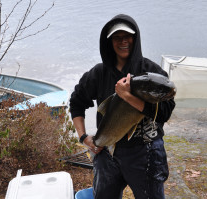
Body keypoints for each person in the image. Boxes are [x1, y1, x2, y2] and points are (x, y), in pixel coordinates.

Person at [70, 14, 175, 199]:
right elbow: (76, 102)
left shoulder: (151, 72)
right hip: (106, 152)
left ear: (135, 38)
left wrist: (126, 96)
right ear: (109, 42)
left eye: (127, 36)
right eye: (117, 38)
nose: (123, 41)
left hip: (146, 153)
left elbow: (165, 112)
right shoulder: (98, 74)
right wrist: (84, 137)